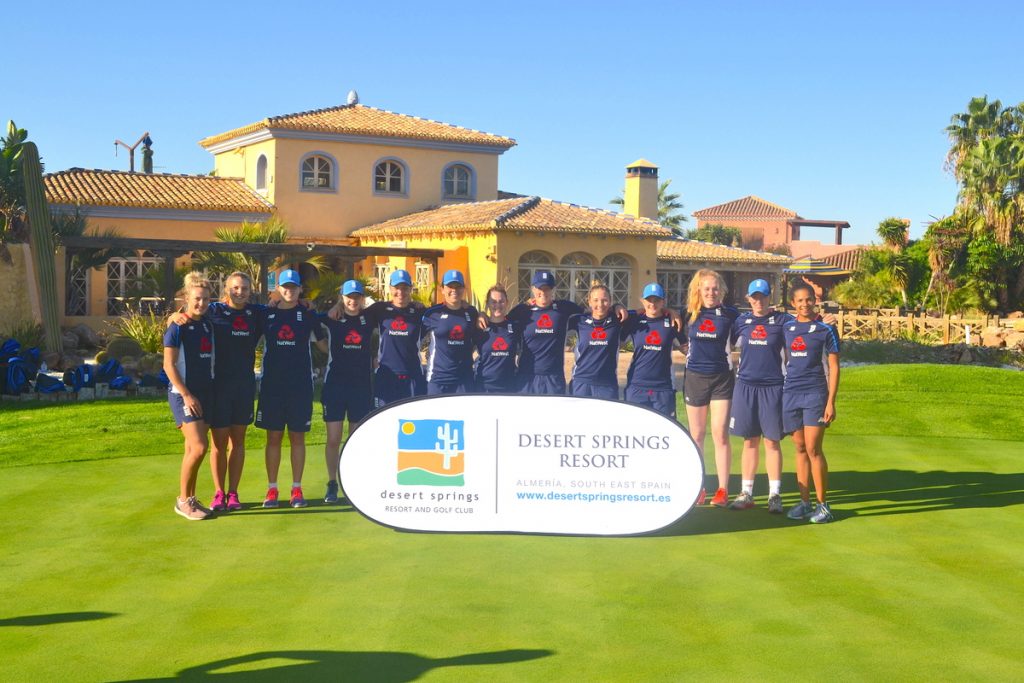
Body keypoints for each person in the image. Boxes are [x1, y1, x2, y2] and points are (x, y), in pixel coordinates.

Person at [255, 269, 323, 509]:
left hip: (300, 387)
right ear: (278, 289)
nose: (289, 291)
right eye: (285, 287)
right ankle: (272, 489)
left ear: (299, 290)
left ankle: (296, 488)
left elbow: (324, 344)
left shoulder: (309, 315)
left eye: (293, 287)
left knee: (297, 437)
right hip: (272, 387)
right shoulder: (265, 315)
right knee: (273, 437)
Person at [508, 270, 628, 395]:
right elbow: (500, 323)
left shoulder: (564, 308)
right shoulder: (521, 311)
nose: (543, 292)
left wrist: (616, 306)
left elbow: (591, 310)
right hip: (526, 376)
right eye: (540, 288)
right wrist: (484, 314)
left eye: (547, 288)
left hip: (554, 377)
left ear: (553, 289)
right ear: (533, 289)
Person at [204, 272, 264, 512]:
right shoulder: (214, 311)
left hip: (244, 386)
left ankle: (234, 493)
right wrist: (176, 316)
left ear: (251, 291)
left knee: (238, 441)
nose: (240, 292)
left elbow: (282, 307)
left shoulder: (256, 313)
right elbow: (189, 312)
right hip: (219, 386)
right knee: (218, 443)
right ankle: (219, 493)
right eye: (236, 288)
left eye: (245, 288)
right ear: (226, 289)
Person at [727, 279, 788, 513]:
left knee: (772, 441)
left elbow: (803, 326)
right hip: (745, 386)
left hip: (773, 386)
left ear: (769, 298)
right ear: (748, 299)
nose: (759, 301)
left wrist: (824, 321)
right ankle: (747, 492)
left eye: (763, 296)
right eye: (755, 297)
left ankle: (775, 494)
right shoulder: (741, 321)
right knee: (750, 440)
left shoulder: (782, 321)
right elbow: (723, 339)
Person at [782, 282, 841, 524]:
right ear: (793, 304)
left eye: (809, 300)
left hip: (815, 394)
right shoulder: (786, 327)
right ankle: (805, 503)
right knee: (799, 448)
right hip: (791, 394)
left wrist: (831, 402)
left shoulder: (826, 329)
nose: (805, 304)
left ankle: (823, 505)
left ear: (814, 301)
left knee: (814, 449)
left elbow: (835, 367)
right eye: (800, 301)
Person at [682, 269, 740, 508]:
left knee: (720, 434)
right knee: (696, 436)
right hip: (695, 378)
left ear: (721, 291)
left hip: (722, 379)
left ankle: (723, 489)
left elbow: (757, 323)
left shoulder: (730, 315)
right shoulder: (687, 315)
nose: (711, 293)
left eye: (715, 289)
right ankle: (699, 488)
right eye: (706, 289)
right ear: (699, 290)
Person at [164, 273, 215, 521]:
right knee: (199, 447)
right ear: (186, 298)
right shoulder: (177, 326)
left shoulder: (207, 322)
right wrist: (186, 395)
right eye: (197, 299)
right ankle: (183, 501)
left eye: (206, 299)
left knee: (192, 449)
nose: (202, 303)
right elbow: (168, 365)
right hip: (183, 394)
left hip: (204, 392)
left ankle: (192, 499)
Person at [318, 279, 374, 504]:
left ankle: (353, 483)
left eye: (357, 296)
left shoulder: (370, 317)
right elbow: (307, 319)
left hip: (360, 386)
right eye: (349, 296)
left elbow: (394, 309)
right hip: (335, 386)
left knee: (355, 438)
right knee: (333, 438)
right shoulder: (332, 318)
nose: (353, 300)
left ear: (362, 298)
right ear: (342, 297)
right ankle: (332, 483)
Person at [364, 270, 427, 407]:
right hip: (386, 374)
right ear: (390, 289)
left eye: (405, 288)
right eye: (397, 288)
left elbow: (443, 314)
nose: (400, 292)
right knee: (382, 419)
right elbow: (353, 314)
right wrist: (339, 304)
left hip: (412, 375)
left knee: (413, 421)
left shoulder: (420, 311)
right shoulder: (379, 309)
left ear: (411, 289)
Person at [621, 282, 681, 417]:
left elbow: (686, 348)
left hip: (663, 387)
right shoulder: (634, 321)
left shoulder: (672, 322)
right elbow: (618, 339)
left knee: (665, 432)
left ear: (663, 302)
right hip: (636, 385)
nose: (652, 304)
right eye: (649, 300)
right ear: (642, 301)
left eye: (657, 300)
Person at [421, 270, 479, 394]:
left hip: (464, 380)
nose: (454, 290)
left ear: (464, 289)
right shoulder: (432, 313)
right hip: (438, 379)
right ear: (442, 289)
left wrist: (483, 314)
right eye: (450, 286)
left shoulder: (472, 312)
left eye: (458, 286)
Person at [566, 284, 622, 399]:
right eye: (595, 300)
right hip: (581, 382)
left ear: (610, 301)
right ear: (589, 302)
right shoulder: (578, 320)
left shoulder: (618, 320)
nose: (600, 304)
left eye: (604, 300)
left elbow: (645, 314)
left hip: (607, 384)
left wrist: (668, 311)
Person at [473, 284, 521, 393]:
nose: (497, 305)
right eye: (493, 302)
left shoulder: (515, 327)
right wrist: (480, 314)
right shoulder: (479, 327)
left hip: (509, 387)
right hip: (484, 387)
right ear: (487, 304)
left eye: (501, 301)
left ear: (507, 303)